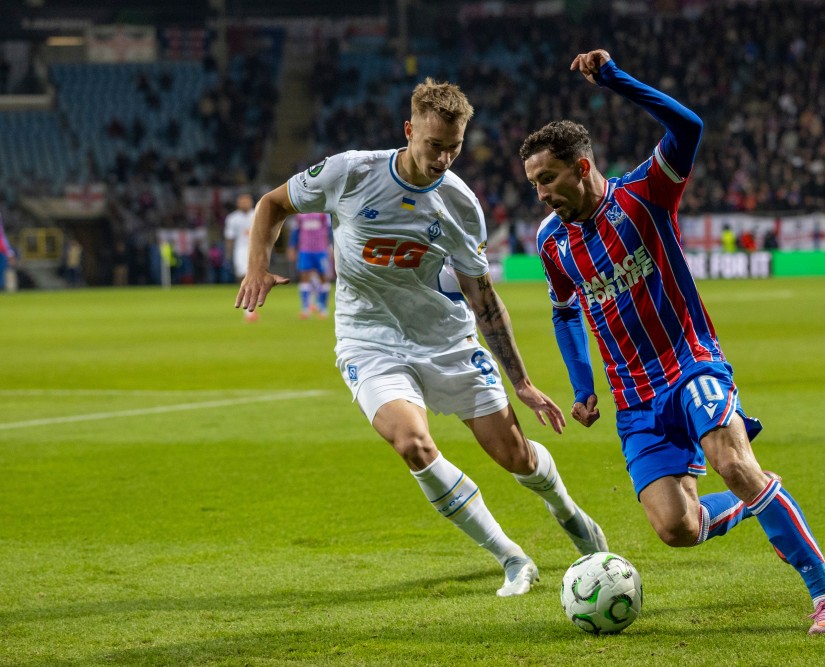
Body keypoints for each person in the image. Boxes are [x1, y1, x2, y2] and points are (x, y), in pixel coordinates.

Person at [520, 49, 825, 634]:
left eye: (547, 179)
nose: (541, 193)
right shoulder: (551, 241)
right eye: (533, 184)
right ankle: (759, 501)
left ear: (581, 166)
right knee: (677, 528)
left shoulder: (644, 193)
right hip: (634, 398)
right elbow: (565, 309)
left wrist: (615, 79)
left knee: (732, 462)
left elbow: (689, 126)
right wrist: (582, 386)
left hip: (690, 364)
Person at [235, 77, 607, 597]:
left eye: (454, 148)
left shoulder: (460, 204)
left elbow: (483, 298)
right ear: (409, 131)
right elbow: (272, 204)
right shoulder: (352, 172)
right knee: (412, 443)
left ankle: (569, 513)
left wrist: (521, 381)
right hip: (369, 339)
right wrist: (257, 267)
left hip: (446, 340)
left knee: (515, 456)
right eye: (435, 145)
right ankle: (512, 557)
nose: (444, 159)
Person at [286, 211, 335, 319]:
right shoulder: (300, 213)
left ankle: (323, 307)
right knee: (304, 277)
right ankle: (305, 308)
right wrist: (292, 247)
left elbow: (330, 231)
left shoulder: (324, 213)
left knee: (323, 277)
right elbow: (295, 231)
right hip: (305, 250)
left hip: (321, 250)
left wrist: (332, 247)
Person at [224, 193, 257, 321]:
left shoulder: (257, 214)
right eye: (242, 201)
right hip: (241, 250)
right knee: (243, 276)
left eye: (247, 201)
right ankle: (248, 309)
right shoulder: (232, 218)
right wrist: (228, 255)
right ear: (238, 203)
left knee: (254, 278)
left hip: (256, 249)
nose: (245, 203)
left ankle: (250, 307)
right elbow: (229, 238)